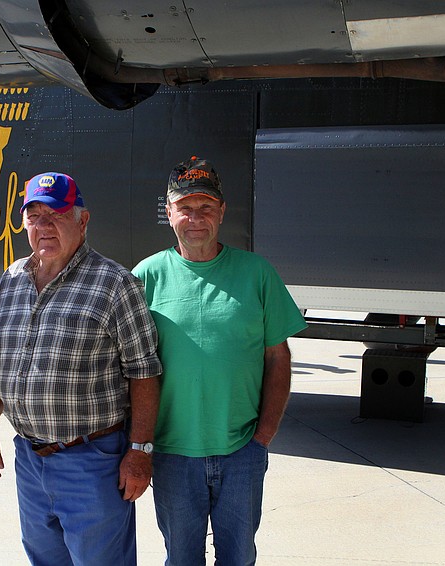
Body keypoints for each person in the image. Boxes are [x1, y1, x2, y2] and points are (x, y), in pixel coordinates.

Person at [0, 172, 162, 566]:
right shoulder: (11, 280)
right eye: (34, 216)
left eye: (56, 215)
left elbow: (144, 372)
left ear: (82, 220)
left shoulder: (114, 284)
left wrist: (140, 451)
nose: (43, 226)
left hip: (92, 461)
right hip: (29, 459)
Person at [132, 157, 308, 566]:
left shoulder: (257, 273)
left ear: (222, 212)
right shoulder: (145, 277)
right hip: (173, 454)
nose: (196, 218)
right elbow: (129, 368)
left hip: (241, 451)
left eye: (206, 207)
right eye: (185, 208)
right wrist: (140, 444)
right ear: (169, 212)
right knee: (182, 558)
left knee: (239, 558)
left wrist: (263, 436)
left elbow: (278, 357)